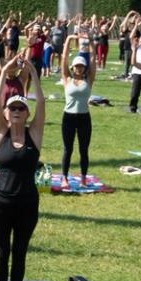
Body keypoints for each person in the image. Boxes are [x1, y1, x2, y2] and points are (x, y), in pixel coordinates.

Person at [0, 55, 47, 281]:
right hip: (0, 202)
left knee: (20, 252)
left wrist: (33, 71)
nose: (17, 112)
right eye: (12, 108)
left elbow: (42, 102)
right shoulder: (1, 134)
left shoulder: (35, 135)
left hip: (27, 203)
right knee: (2, 251)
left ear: (27, 113)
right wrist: (4, 73)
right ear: (6, 113)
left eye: (21, 108)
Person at [57, 32, 95, 185]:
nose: (79, 68)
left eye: (81, 66)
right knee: (68, 149)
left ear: (84, 68)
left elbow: (93, 59)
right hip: (69, 117)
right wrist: (68, 40)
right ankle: (65, 178)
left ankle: (83, 178)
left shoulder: (89, 80)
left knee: (83, 150)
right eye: (77, 66)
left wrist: (90, 41)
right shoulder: (67, 78)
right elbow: (64, 58)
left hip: (84, 117)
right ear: (73, 67)